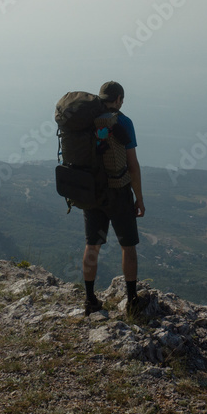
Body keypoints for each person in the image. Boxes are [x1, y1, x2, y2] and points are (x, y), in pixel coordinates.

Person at [82, 81, 146, 316]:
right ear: (118, 99)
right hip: (118, 192)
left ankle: (90, 300)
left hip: (92, 192)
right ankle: (132, 301)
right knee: (127, 245)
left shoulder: (88, 121)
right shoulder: (123, 122)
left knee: (92, 245)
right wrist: (138, 198)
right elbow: (133, 165)